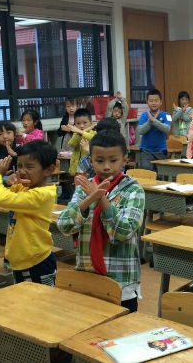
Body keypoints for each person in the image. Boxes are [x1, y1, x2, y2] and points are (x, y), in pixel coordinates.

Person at [58, 132, 145, 312]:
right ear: (90, 161)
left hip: (120, 283)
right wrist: (89, 198)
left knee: (121, 328)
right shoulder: (84, 189)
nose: (106, 167)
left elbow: (123, 232)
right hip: (87, 277)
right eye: (99, 161)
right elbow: (64, 225)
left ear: (125, 160)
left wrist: (101, 198)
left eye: (113, 161)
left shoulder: (133, 190)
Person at [0, 140, 58, 286]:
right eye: (19, 166)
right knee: (23, 297)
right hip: (21, 259)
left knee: (39, 298)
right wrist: (7, 181)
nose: (23, 171)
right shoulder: (24, 187)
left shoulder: (42, 194)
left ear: (48, 170)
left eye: (30, 167)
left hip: (36, 261)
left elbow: (2, 198)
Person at [136, 89, 171, 171]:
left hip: (161, 151)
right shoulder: (144, 115)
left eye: (156, 101)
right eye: (151, 101)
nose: (153, 103)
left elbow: (167, 129)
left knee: (161, 174)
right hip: (146, 151)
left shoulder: (167, 115)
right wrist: (150, 121)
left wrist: (154, 121)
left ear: (161, 102)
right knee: (147, 173)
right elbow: (140, 131)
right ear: (147, 102)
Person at [64, 108, 96, 177]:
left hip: (88, 166)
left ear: (91, 123)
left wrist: (81, 132)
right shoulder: (76, 134)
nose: (81, 126)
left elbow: (93, 139)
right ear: (75, 125)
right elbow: (71, 144)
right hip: (76, 167)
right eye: (78, 123)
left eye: (85, 123)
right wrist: (80, 133)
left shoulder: (94, 134)